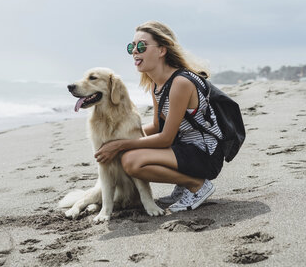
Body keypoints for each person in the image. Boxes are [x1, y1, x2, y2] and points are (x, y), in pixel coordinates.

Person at [94, 21, 224, 212]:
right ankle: (183, 185)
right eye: (132, 47)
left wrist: (120, 144)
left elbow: (165, 138)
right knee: (125, 152)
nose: (135, 52)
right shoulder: (157, 84)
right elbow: (156, 126)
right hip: (184, 148)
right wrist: (114, 138)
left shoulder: (180, 83)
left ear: (162, 50)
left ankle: (196, 185)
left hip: (205, 154)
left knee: (131, 161)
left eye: (141, 46)